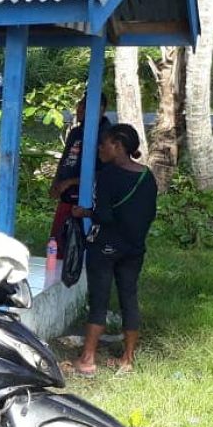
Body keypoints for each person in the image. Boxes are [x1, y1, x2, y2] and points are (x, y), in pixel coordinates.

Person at [69, 124, 158, 376]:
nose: (99, 149)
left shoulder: (107, 175)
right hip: (134, 248)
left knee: (99, 299)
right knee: (129, 298)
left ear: (117, 146)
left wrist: (85, 212)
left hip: (106, 246)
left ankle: (87, 359)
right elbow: (149, 213)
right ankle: (127, 359)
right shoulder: (146, 176)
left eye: (103, 144)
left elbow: (105, 215)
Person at [48, 92, 110, 241]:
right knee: (58, 241)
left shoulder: (107, 136)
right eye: (80, 104)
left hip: (87, 200)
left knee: (78, 242)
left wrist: (70, 182)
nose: (79, 109)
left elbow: (105, 173)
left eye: (85, 105)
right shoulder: (76, 132)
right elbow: (66, 159)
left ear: (100, 109)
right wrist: (56, 182)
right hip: (67, 196)